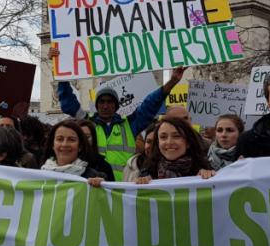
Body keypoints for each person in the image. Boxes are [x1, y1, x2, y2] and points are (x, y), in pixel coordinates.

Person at [51, 47, 184, 181]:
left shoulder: (130, 124)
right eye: (101, 102)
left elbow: (151, 104)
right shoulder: (86, 122)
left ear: (116, 106)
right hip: (93, 188)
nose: (105, 106)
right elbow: (68, 102)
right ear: (97, 106)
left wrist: (172, 81)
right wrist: (59, 69)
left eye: (109, 102)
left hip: (123, 189)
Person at [135, 116, 216, 183]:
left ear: (188, 142)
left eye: (176, 136)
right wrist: (141, 186)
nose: (169, 142)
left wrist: (210, 179)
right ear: (158, 143)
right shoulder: (147, 173)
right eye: (163, 137)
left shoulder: (203, 171)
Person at [41, 121, 114, 185]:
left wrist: (103, 187)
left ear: (80, 146)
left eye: (71, 139)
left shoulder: (95, 176)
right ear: (53, 145)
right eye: (60, 139)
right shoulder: (40, 176)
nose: (65, 144)